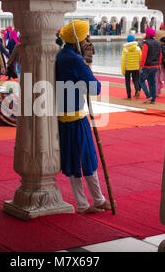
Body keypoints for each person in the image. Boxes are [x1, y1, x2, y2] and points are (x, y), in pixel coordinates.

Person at [57, 19, 113, 215]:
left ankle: (88, 202)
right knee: (86, 158)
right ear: (78, 41)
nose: (88, 41)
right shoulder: (74, 59)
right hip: (75, 117)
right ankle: (94, 200)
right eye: (86, 38)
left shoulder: (61, 55)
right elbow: (95, 88)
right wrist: (87, 67)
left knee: (75, 159)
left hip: (62, 116)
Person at [139, 27, 162, 104]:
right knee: (152, 83)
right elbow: (160, 55)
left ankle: (148, 96)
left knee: (141, 80)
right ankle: (153, 100)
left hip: (147, 66)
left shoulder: (146, 43)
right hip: (155, 66)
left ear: (147, 34)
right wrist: (158, 64)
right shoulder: (158, 43)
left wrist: (141, 66)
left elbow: (144, 56)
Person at [121, 35, 142, 99]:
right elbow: (140, 58)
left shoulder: (125, 49)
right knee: (136, 80)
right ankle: (137, 90)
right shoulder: (138, 48)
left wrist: (123, 71)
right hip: (136, 67)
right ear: (133, 40)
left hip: (127, 68)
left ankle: (129, 95)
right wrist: (140, 67)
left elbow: (123, 61)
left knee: (127, 82)